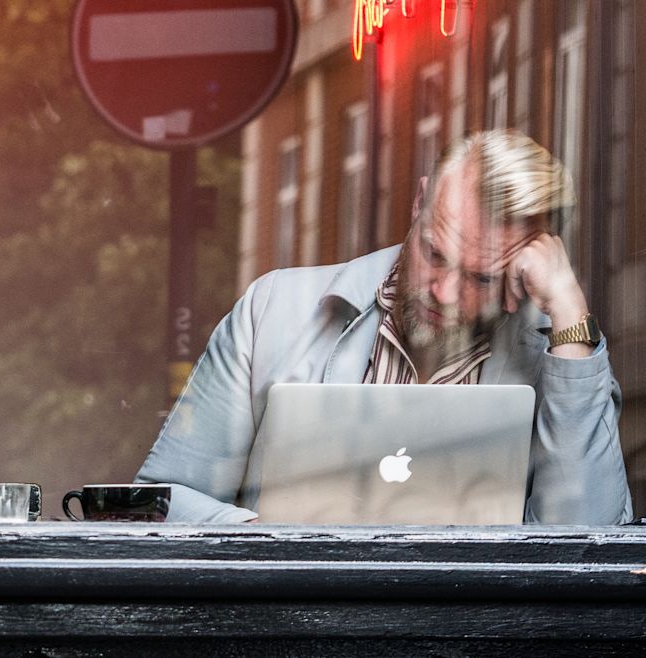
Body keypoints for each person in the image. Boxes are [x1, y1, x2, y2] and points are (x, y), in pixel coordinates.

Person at [136, 130, 632, 524]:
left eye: (482, 276)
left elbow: (591, 549)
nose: (444, 292)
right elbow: (158, 502)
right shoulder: (272, 311)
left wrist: (568, 313)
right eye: (434, 254)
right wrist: (266, 541)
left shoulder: (564, 358)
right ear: (419, 204)